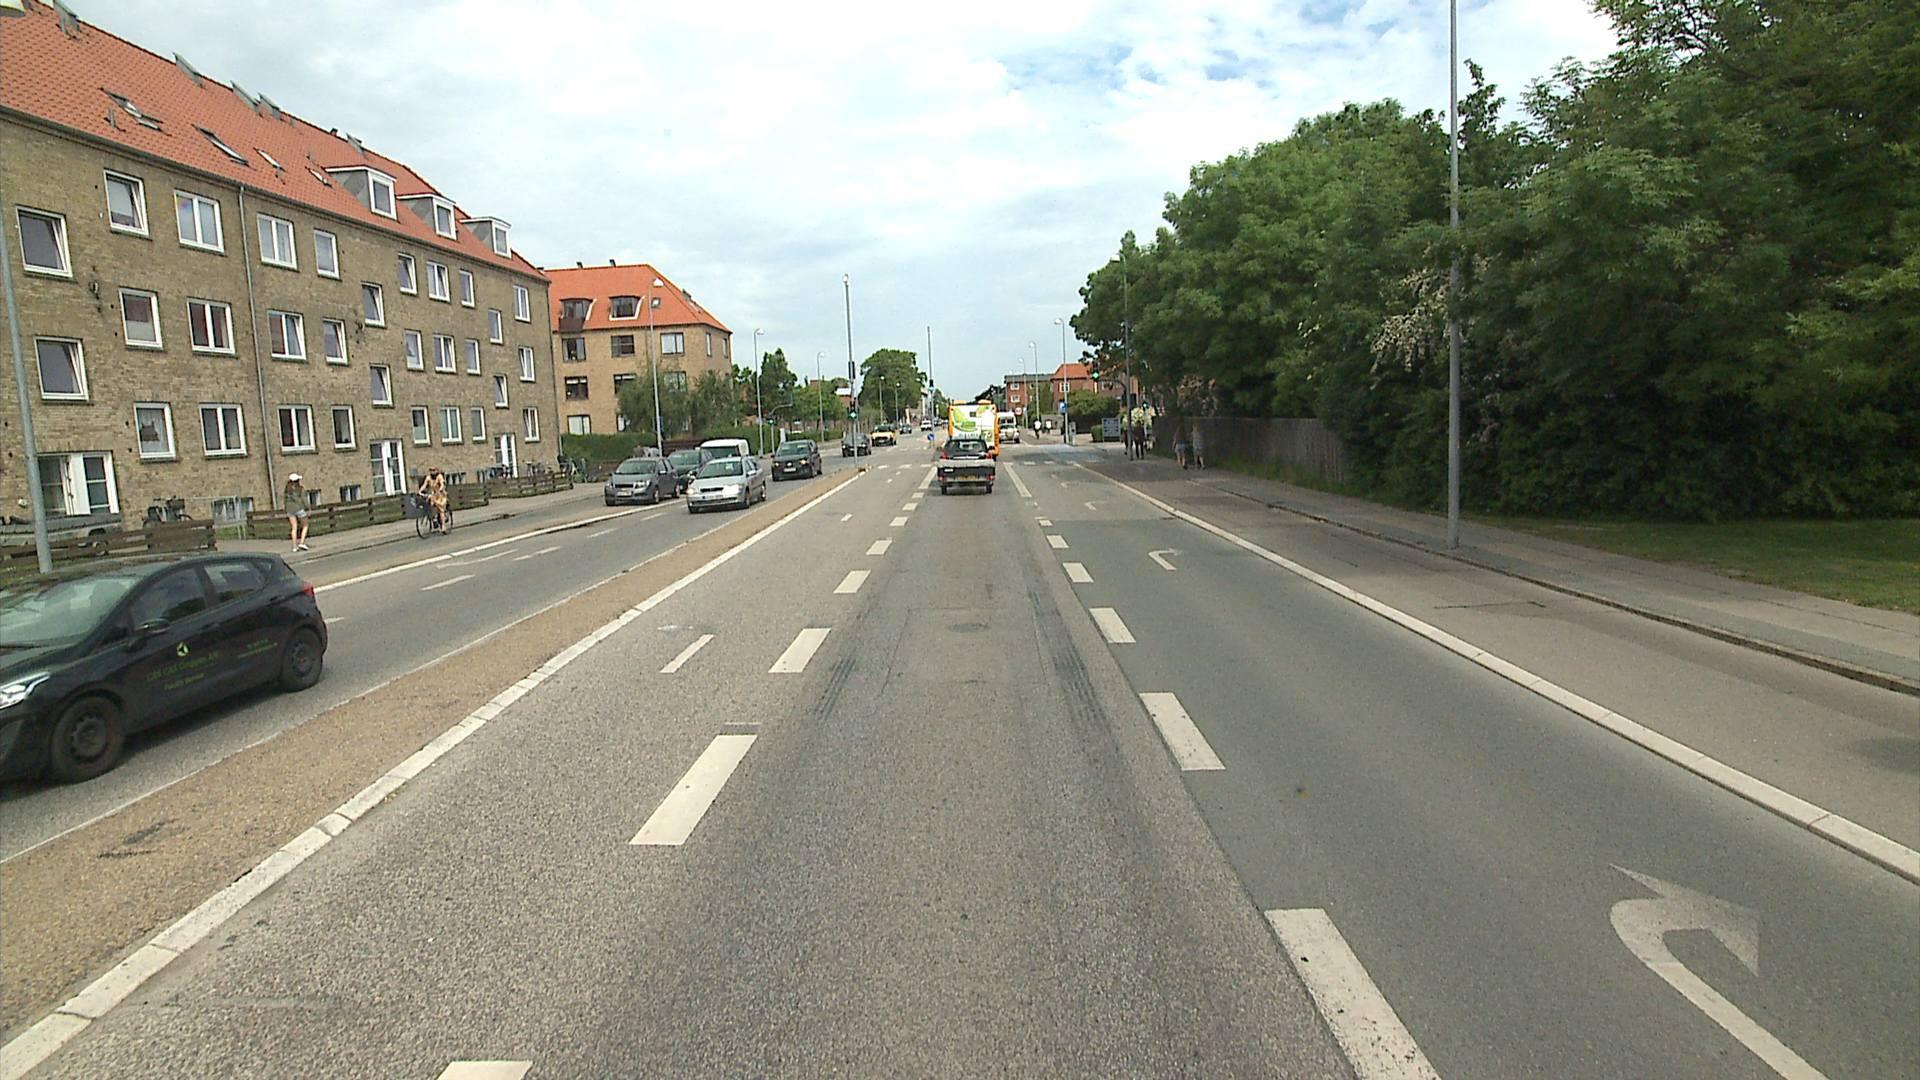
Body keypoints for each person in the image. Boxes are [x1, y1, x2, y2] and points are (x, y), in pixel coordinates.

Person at [417, 466, 449, 534]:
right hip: (433, 494)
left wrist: (441, 489)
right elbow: (424, 485)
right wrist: (420, 491)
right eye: (431, 470)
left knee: (441, 510)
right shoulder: (428, 478)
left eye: (434, 470)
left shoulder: (439, 477)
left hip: (440, 494)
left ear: (437, 471)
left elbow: (442, 484)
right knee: (431, 504)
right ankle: (434, 518)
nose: (432, 472)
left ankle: (443, 526)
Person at [284, 473, 310, 552]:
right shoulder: (300, 489)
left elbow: (285, 501)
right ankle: (302, 542)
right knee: (305, 525)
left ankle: (294, 547)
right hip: (299, 508)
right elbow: (304, 499)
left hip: (290, 510)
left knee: (294, 527)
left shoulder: (287, 490)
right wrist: (308, 508)